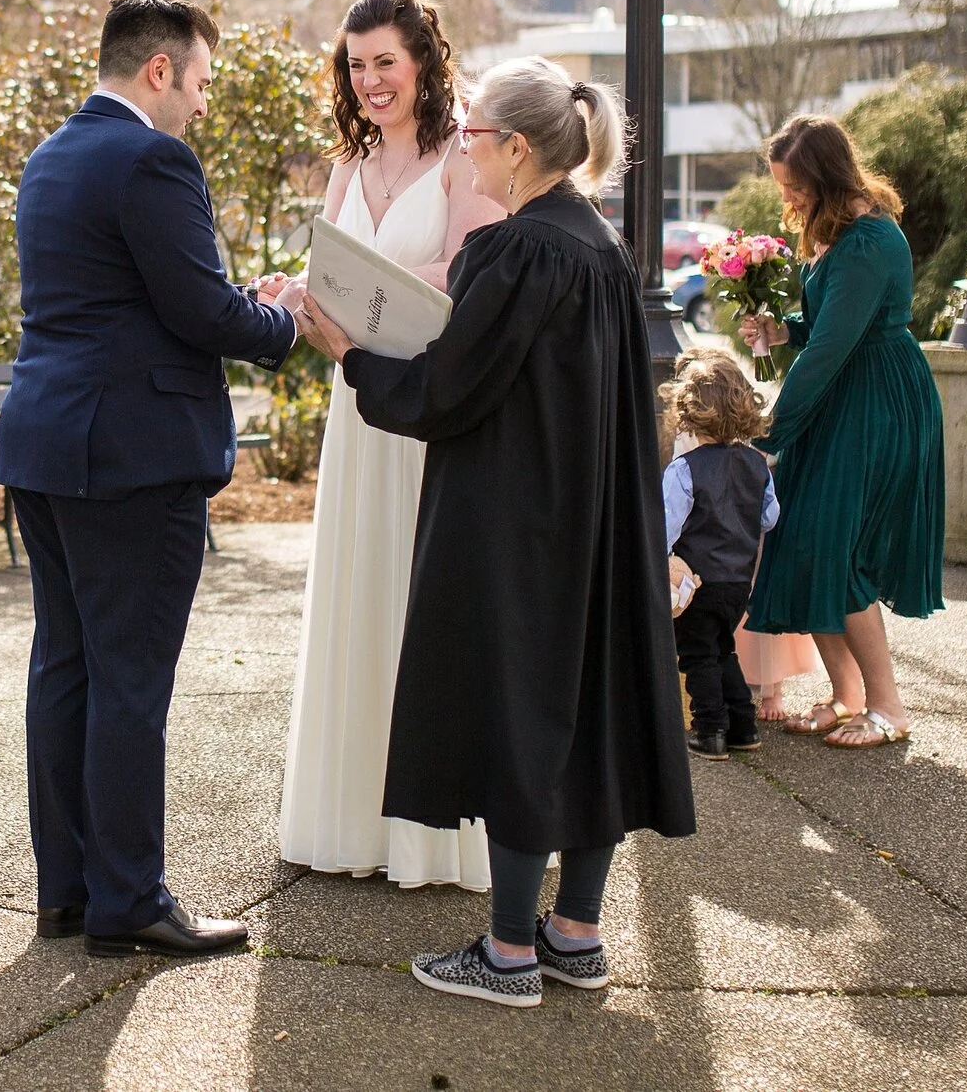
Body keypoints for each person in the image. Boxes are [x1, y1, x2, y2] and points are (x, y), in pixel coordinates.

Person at [293, 55, 693, 1009]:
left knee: (521, 706)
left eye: (473, 135)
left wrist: (352, 358)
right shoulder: (601, 246)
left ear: (516, 148)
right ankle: (576, 932)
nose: (462, 148)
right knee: (588, 707)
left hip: (520, 517)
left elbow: (450, 387)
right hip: (596, 512)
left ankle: (509, 948)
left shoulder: (518, 251)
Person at [0, 0, 297, 959]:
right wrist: (286, 320)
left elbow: (131, 298)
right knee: (129, 681)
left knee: (66, 666)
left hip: (46, 442)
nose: (202, 104)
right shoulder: (152, 158)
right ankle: (129, 899)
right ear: (159, 70)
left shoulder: (51, 156)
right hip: (131, 457)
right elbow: (200, 312)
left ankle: (69, 890)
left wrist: (233, 299)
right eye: (200, 82)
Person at [278, 0, 505, 887]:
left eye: (385, 61)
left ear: (422, 62)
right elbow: (324, 266)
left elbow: (471, 268)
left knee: (423, 598)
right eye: (356, 63)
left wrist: (369, 286)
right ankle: (353, 818)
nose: (370, 80)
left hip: (425, 408)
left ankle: (433, 832)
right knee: (359, 586)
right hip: (356, 408)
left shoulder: (461, 156)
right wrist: (295, 293)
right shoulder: (351, 159)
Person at [738, 114, 946, 750]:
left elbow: (832, 348)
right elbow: (826, 324)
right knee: (804, 538)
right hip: (842, 396)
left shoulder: (868, 241)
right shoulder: (837, 230)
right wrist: (782, 329)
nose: (788, 197)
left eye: (794, 185)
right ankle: (846, 695)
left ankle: (887, 707)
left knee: (840, 549)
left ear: (826, 176)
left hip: (875, 402)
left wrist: (769, 433)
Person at [657, 347, 782, 761]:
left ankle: (710, 729)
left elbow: (665, 527)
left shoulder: (685, 469)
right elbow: (769, 517)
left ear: (688, 411)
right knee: (723, 648)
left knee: (697, 655)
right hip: (738, 582)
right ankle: (743, 726)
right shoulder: (756, 465)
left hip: (697, 581)